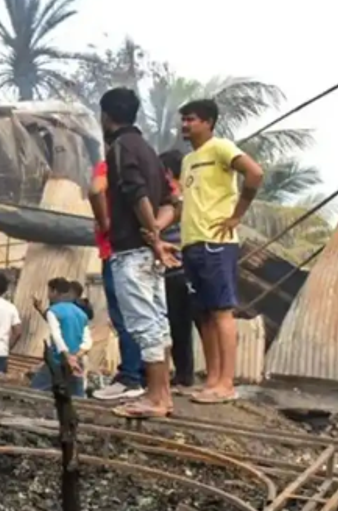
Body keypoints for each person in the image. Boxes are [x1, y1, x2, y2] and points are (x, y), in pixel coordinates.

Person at [99, 88, 179, 419]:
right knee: (158, 322)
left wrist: (152, 235)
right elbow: (173, 202)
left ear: (105, 116)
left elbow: (136, 193)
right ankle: (161, 394)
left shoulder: (120, 149)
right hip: (145, 249)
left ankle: (157, 399)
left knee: (144, 325)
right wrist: (156, 231)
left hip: (132, 251)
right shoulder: (149, 151)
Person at [177, 99, 263, 403]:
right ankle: (212, 379)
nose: (185, 125)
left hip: (217, 241)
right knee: (203, 314)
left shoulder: (222, 147)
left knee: (222, 311)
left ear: (208, 122)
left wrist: (237, 214)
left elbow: (254, 174)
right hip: (191, 243)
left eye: (191, 119)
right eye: (183, 120)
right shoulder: (188, 161)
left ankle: (226, 383)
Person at [89, 158, 146, 402]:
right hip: (140, 252)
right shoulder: (150, 165)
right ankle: (141, 375)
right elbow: (175, 202)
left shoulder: (112, 164)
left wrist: (104, 223)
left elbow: (95, 189)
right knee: (143, 317)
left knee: (124, 318)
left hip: (116, 252)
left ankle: (130, 377)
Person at [158, 149, 196, 390]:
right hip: (189, 265)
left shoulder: (173, 197)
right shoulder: (193, 194)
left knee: (177, 323)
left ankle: (183, 374)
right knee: (185, 324)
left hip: (175, 266)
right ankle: (184, 373)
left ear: (168, 172)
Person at [31, 278, 89, 397]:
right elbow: (88, 341)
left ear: (55, 292)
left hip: (58, 360)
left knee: (35, 391)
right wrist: (75, 357)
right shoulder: (81, 313)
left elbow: (57, 337)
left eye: (49, 291)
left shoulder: (53, 311)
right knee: (77, 396)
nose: (47, 295)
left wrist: (67, 357)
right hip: (77, 361)